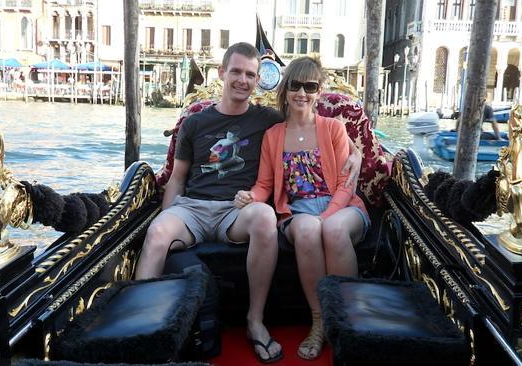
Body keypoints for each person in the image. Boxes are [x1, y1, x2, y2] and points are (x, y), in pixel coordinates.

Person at [133, 43, 362, 363]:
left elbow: (316, 124)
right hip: (193, 210)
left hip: (235, 212)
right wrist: (167, 219)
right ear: (222, 73)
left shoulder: (266, 118)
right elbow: (177, 179)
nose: (243, 80)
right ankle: (141, 331)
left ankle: (258, 322)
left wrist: (357, 151)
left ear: (258, 81)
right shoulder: (196, 122)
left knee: (266, 217)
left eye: (250, 74)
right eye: (237, 72)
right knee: (157, 233)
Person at [234, 56, 370, 360]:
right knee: (308, 229)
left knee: (332, 229)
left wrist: (326, 215)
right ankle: (320, 322)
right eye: (295, 85)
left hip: (344, 206)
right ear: (285, 88)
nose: (302, 93)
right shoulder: (273, 136)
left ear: (319, 90)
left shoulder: (333, 128)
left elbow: (347, 183)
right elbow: (265, 185)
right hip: (297, 212)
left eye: (310, 86)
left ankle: (348, 318)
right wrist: (251, 197)